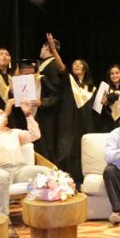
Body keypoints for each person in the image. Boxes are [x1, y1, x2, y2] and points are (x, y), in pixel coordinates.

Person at [0, 98, 48, 238]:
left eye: (2, 112)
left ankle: (45, 213)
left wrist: (28, 114)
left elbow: (35, 135)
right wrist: (6, 112)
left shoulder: (14, 133)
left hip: (18, 170)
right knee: (3, 176)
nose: (1, 113)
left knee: (45, 171)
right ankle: (5, 221)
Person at [46, 33, 95, 184]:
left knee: (82, 151)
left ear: (85, 68)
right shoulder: (69, 81)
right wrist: (54, 50)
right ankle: (63, 181)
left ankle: (81, 181)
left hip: (85, 123)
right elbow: (61, 66)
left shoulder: (91, 88)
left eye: (80, 64)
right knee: (66, 150)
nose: (77, 65)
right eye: (74, 64)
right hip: (69, 120)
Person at [36, 37, 62, 160]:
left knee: (48, 143)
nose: (41, 49)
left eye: (42, 47)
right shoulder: (43, 65)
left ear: (47, 47)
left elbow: (57, 90)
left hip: (49, 112)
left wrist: (43, 102)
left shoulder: (53, 65)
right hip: (41, 109)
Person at [99, 64, 120, 133]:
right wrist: (115, 94)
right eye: (112, 74)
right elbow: (101, 106)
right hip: (108, 122)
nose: (114, 75)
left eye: (117, 73)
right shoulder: (105, 89)